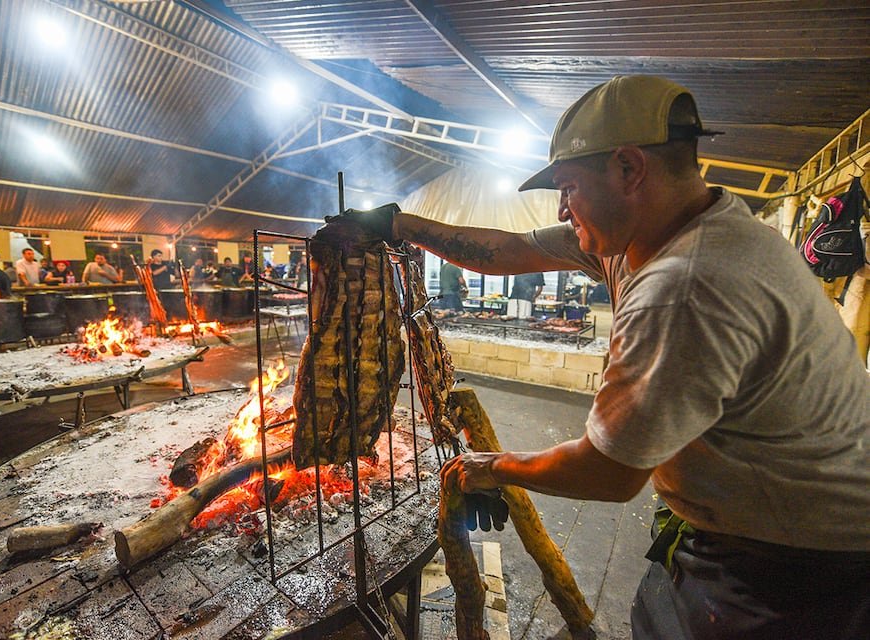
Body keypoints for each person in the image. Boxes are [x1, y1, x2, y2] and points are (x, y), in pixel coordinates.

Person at [333, 75, 869, 639]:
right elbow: (509, 249)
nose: (563, 208)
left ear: (629, 169)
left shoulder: (688, 283)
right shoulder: (649, 232)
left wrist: (492, 468)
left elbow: (609, 472)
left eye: (568, 187)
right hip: (734, 529)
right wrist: (397, 225)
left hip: (798, 567)